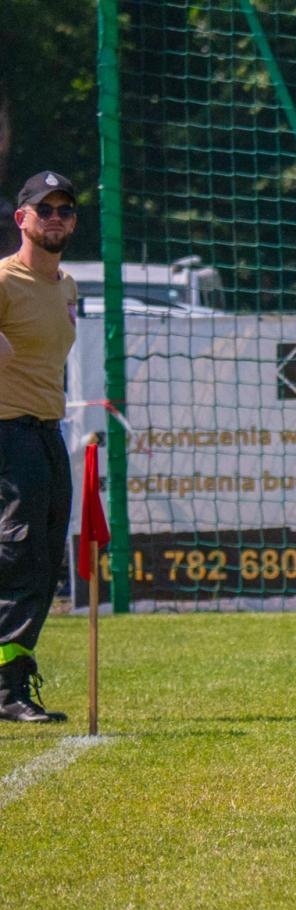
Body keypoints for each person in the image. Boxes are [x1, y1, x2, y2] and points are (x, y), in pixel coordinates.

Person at [0, 171, 80, 722]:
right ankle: (7, 691)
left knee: (46, 560)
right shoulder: (3, 281)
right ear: (21, 218)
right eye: (43, 209)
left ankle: (15, 679)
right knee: (19, 556)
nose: (54, 217)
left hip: (48, 432)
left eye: (64, 209)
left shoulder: (65, 285)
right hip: (9, 433)